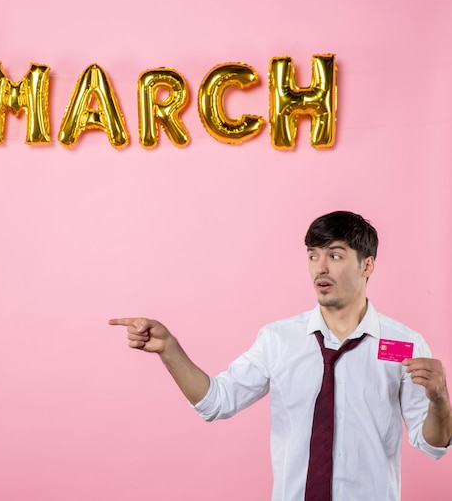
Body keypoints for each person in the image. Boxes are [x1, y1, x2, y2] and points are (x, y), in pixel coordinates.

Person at [109, 211, 452, 501]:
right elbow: (217, 401)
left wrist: (439, 400)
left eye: (335, 255)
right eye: (313, 255)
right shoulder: (279, 340)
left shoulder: (403, 344)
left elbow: (433, 445)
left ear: (367, 265)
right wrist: (170, 349)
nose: (321, 268)